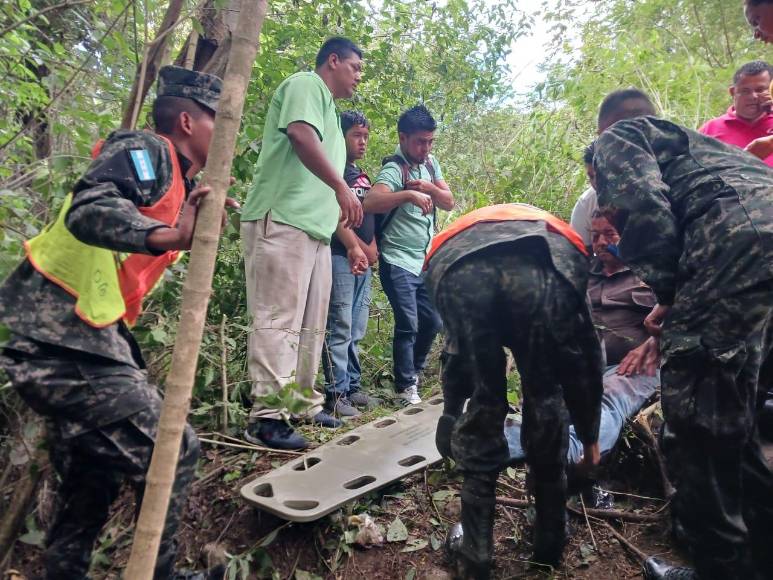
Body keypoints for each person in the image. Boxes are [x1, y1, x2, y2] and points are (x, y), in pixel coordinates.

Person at [0, 66, 230, 580]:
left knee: (89, 489)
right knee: (172, 451)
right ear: (188, 121)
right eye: (221, 120)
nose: (227, 131)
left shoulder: (177, 181)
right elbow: (90, 207)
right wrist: (169, 237)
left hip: (74, 342)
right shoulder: (148, 152)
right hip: (61, 344)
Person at [593, 88, 773, 580]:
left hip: (733, 251)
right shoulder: (705, 150)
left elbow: (644, 208)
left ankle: (719, 570)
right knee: (748, 416)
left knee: (696, 428)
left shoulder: (619, 137)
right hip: (759, 256)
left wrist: (668, 293)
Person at [428, 204, 603, 579]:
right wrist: (589, 438)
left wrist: (451, 411)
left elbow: (457, 355)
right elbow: (583, 358)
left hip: (457, 268)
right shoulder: (565, 250)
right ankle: (549, 544)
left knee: (485, 402)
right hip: (544, 273)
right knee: (545, 393)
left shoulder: (463, 237)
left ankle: (476, 555)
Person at [240, 37, 368, 449]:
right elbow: (298, 134)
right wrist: (341, 187)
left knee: (311, 324)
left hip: (314, 232)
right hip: (281, 220)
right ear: (333, 61)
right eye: (355, 68)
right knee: (278, 320)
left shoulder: (330, 110)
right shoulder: (305, 85)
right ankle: (267, 416)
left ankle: (302, 403)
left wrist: (348, 242)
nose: (358, 77)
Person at [504, 212, 659, 476]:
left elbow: (683, 316)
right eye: (595, 235)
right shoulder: (581, 269)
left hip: (634, 365)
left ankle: (570, 452)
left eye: (609, 234)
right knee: (548, 401)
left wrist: (655, 340)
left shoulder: (654, 274)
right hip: (580, 362)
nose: (600, 242)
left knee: (606, 400)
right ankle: (504, 443)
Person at [362, 104, 454, 405]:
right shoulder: (394, 168)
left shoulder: (430, 165)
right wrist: (408, 194)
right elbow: (372, 201)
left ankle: (411, 375)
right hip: (397, 259)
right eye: (419, 142)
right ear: (403, 138)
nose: (425, 148)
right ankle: (404, 388)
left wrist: (427, 187)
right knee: (408, 323)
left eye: (430, 141)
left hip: (424, 260)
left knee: (433, 320)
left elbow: (448, 202)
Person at [321, 110, 380, 417]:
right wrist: (355, 247)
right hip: (340, 256)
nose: (363, 142)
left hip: (362, 261)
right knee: (340, 325)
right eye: (357, 135)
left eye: (366, 136)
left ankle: (353, 387)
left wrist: (371, 247)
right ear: (340, 136)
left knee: (357, 326)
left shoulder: (361, 175)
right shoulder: (335, 173)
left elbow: (369, 215)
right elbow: (335, 215)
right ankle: (335, 394)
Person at [698, 60, 773, 166]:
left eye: (760, 90)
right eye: (745, 91)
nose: (753, 96)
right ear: (733, 92)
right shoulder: (710, 129)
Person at [569, 142, 599, 248]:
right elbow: (580, 252)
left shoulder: (641, 196)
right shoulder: (586, 203)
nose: (596, 183)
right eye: (591, 177)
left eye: (600, 175)